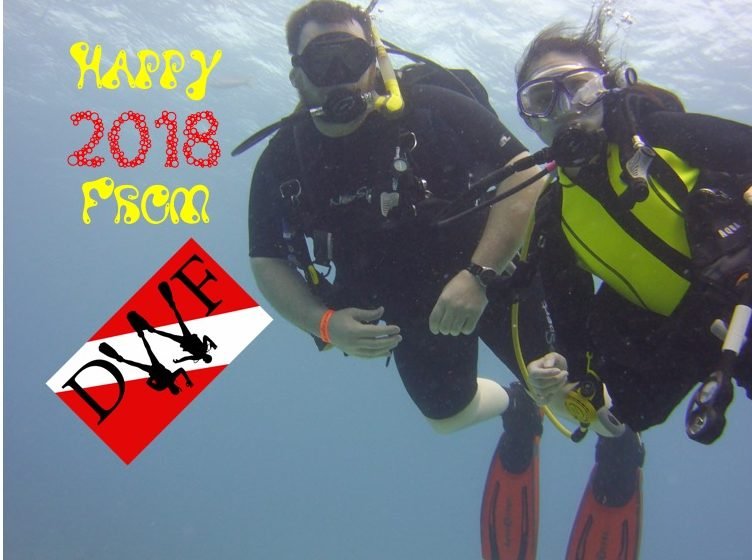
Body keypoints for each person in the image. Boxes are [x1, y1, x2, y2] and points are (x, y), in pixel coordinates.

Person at [492, 6, 752, 559]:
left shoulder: (660, 135)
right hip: (689, 334)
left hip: (742, 296)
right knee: (614, 406)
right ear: (530, 120)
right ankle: (617, 455)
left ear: (609, 89)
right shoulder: (555, 217)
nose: (566, 111)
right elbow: (573, 337)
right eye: (543, 100)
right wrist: (555, 377)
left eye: (581, 89)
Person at [248, 0, 550, 440]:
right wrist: (323, 323)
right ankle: (516, 404)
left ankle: (595, 416)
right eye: (322, 61)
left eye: (352, 57)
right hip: (408, 303)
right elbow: (266, 258)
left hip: (491, 267)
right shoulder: (283, 159)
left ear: (375, 61)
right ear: (297, 75)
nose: (340, 75)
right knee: (448, 417)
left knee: (573, 396)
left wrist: (479, 276)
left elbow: (524, 171)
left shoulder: (431, 107)